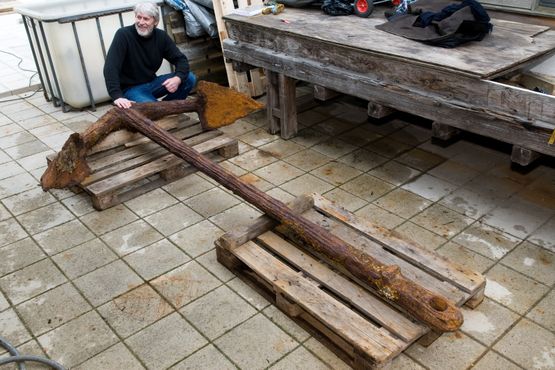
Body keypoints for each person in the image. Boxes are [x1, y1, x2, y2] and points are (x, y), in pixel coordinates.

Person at [103, 2, 196, 109]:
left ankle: (165, 109)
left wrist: (178, 78)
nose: (141, 22)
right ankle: (162, 109)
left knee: (189, 78)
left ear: (155, 22)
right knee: (153, 108)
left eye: (146, 19)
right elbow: (111, 67)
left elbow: (181, 60)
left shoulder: (161, 37)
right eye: (139, 17)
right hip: (131, 89)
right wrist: (117, 96)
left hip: (152, 83)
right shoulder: (123, 35)